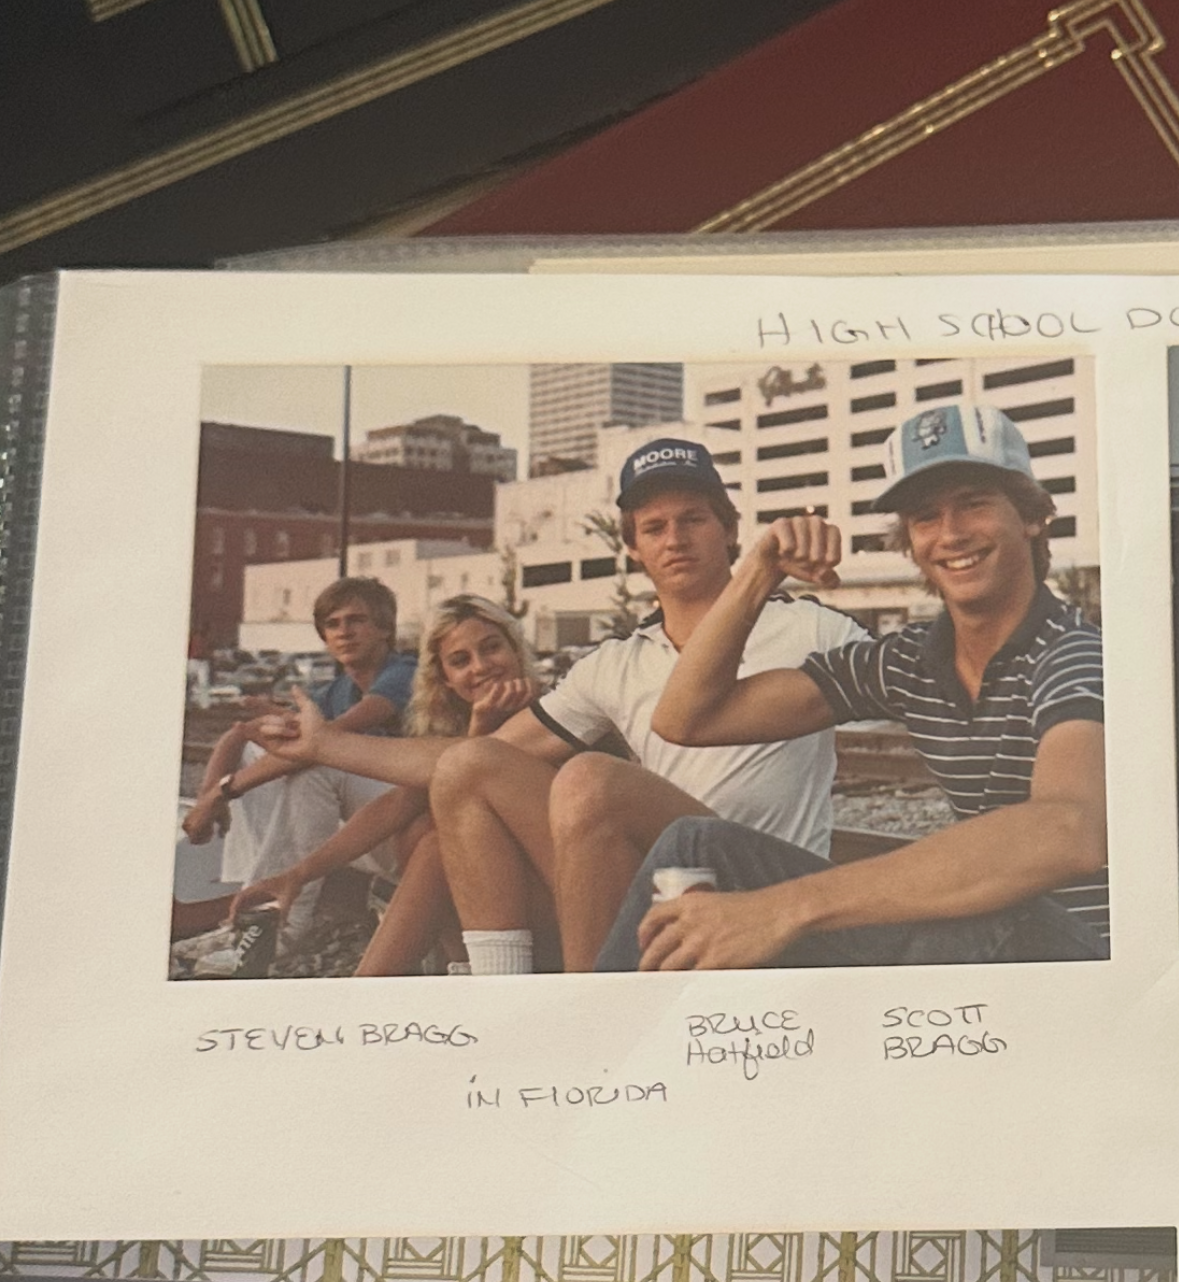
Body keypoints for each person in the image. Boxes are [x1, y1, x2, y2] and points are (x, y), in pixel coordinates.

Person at [596, 407, 1108, 971]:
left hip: (1080, 959)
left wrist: (781, 909)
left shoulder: (1074, 653)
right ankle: (609, 1033)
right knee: (695, 845)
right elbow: (686, 719)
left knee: (990, 899)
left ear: (1032, 517)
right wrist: (760, 571)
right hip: (986, 934)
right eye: (925, 517)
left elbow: (1069, 831)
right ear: (909, 541)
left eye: (974, 503)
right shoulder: (910, 662)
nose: (952, 533)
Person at [419, 436, 865, 972]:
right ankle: (503, 994)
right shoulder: (617, 662)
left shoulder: (813, 628)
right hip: (665, 878)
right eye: (654, 528)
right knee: (465, 767)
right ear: (633, 547)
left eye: (693, 519)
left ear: (729, 529)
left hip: (764, 888)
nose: (675, 539)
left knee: (589, 781)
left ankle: (589, 1013)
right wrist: (322, 744)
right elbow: (480, 763)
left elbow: (928, 679)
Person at [232, 598, 542, 975]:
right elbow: (395, 805)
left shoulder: (553, 708)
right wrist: (298, 874)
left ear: (515, 647)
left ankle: (388, 982)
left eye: (492, 647)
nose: (481, 667)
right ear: (444, 677)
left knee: (433, 837)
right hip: (495, 888)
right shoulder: (456, 723)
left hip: (555, 886)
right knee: (421, 825)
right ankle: (451, 962)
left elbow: (479, 767)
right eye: (460, 661)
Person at [178, 578, 415, 942]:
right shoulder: (336, 691)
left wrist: (220, 795)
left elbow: (321, 744)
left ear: (384, 629)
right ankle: (255, 897)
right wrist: (211, 794)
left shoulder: (403, 674)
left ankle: (282, 925)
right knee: (263, 750)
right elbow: (241, 734)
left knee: (316, 762)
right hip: (371, 825)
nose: (344, 632)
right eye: (333, 625)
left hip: (411, 824)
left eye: (356, 620)